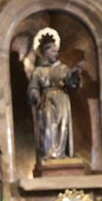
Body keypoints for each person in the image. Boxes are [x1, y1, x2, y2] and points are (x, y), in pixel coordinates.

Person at [27, 28, 81, 160]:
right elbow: (33, 86)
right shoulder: (39, 70)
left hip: (62, 98)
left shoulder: (63, 68)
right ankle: (49, 153)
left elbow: (71, 84)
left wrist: (75, 76)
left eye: (56, 51)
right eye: (53, 51)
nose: (55, 54)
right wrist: (35, 94)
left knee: (62, 125)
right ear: (45, 52)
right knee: (49, 125)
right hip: (47, 99)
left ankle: (61, 153)